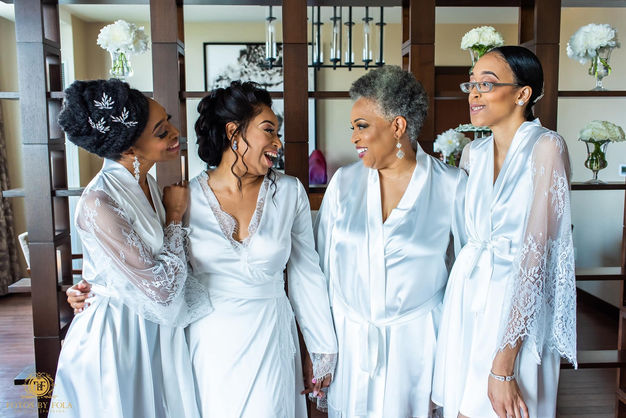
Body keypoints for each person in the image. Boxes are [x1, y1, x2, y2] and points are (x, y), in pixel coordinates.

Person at [314, 65, 467, 418]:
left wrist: (453, 365)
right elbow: (322, 271)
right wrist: (322, 349)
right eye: (352, 128)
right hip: (351, 346)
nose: (354, 138)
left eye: (362, 126)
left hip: (419, 350)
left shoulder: (452, 186)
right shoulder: (343, 184)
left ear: (397, 126)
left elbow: (465, 281)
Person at [50, 79, 209, 418]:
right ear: (129, 150)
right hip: (118, 335)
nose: (176, 133)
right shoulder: (99, 200)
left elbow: (124, 263)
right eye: (162, 132)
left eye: (168, 122)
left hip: (154, 328)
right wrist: (175, 216)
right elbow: (162, 288)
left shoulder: (146, 182)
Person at [432, 46, 577, 418]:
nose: (474, 93)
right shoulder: (473, 153)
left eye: (487, 83)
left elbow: (538, 257)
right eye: (471, 84)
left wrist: (504, 363)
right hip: (467, 298)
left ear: (522, 94)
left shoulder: (546, 148)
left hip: (514, 308)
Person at [185, 80, 337, 417]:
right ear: (233, 132)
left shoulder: (290, 192)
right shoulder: (185, 198)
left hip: (270, 337)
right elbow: (157, 268)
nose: (278, 142)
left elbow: (306, 273)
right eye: (269, 130)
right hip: (209, 342)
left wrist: (321, 348)